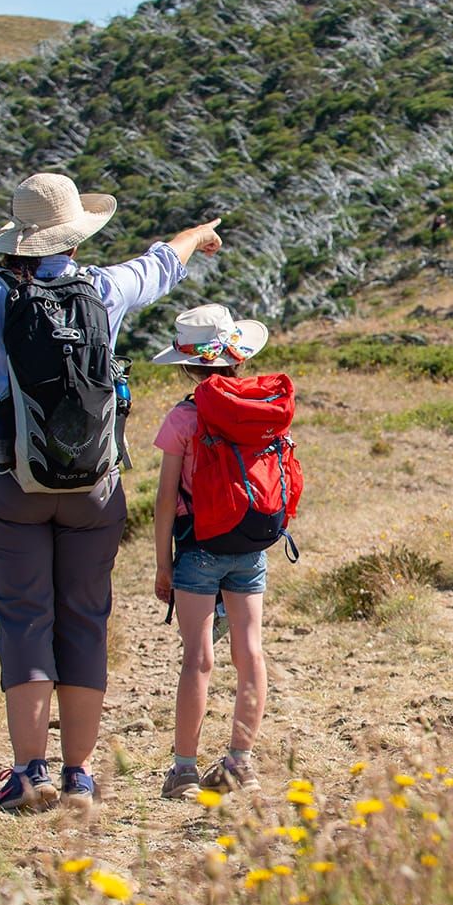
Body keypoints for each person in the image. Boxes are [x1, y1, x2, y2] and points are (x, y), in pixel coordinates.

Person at [0, 171, 221, 812]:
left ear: (19, 238)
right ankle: (80, 773)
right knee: (84, 619)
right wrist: (199, 235)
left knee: (25, 620)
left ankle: (30, 772)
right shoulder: (105, 288)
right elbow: (164, 263)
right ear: (76, 236)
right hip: (94, 487)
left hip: (11, 482)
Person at [151, 304, 300, 797]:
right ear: (237, 358)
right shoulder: (259, 407)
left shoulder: (184, 417)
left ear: (189, 365)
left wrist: (162, 565)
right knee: (250, 650)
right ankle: (241, 761)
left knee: (197, 657)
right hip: (252, 544)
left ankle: (184, 770)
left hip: (199, 548)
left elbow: (166, 500)